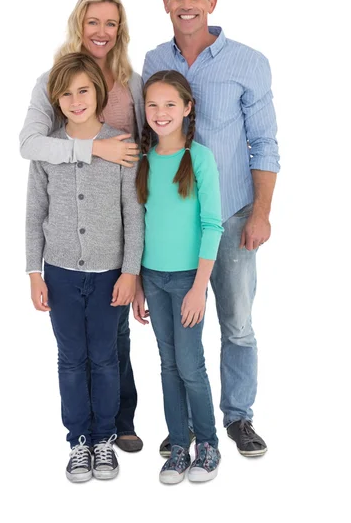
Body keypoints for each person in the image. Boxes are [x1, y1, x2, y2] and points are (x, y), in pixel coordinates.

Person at [142, 0, 280, 457]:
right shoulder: (155, 60)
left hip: (236, 215)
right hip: (179, 228)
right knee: (182, 329)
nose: (186, 5)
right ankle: (185, 422)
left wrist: (261, 212)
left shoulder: (248, 62)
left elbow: (264, 143)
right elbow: (148, 139)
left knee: (237, 322)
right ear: (165, 4)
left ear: (212, 2)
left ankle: (238, 418)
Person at [20, 0, 145, 452]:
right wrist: (93, 149)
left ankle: (115, 426)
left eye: (110, 22)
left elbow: (145, 141)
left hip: (120, 215)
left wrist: (134, 266)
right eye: (93, 21)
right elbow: (31, 147)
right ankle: (86, 436)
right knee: (78, 352)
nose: (101, 31)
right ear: (79, 23)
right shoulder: (52, 79)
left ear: (120, 29)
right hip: (66, 239)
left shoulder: (131, 81)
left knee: (115, 337)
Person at [132, 70, 224, 484]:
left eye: (171, 104)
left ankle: (208, 443)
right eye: (152, 104)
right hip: (153, 277)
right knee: (168, 365)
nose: (161, 112)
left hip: (189, 279)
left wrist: (199, 288)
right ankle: (177, 445)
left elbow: (212, 226)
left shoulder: (199, 158)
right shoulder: (143, 161)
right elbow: (137, 225)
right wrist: (135, 282)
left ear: (187, 108)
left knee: (190, 365)